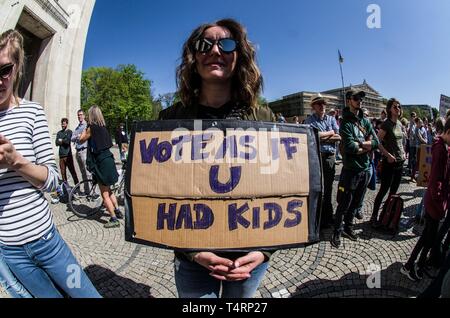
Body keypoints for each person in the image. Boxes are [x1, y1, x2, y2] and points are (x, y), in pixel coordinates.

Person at [158, 18, 275, 298]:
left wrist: (264, 251)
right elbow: (160, 193)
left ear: (239, 56)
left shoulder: (263, 118)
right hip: (192, 257)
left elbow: (279, 188)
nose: (215, 50)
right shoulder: (170, 120)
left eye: (226, 43)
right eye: (204, 44)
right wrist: (193, 251)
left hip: (249, 255)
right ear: (193, 57)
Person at [0, 29, 100, 298]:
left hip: (46, 242)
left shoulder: (31, 112)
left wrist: (16, 162)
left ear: (18, 67)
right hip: (9, 249)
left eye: (4, 70)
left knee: (86, 294)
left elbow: (55, 181)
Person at [401, 119, 450, 281]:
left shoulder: (443, 147)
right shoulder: (440, 149)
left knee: (428, 237)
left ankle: (414, 265)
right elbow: (437, 179)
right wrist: (440, 203)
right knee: (428, 237)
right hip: (435, 202)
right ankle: (412, 266)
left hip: (436, 200)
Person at [330, 90, 379, 249]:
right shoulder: (345, 122)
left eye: (361, 99)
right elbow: (350, 147)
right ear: (349, 100)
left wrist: (363, 145)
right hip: (350, 170)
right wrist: (367, 145)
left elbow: (376, 141)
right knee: (344, 203)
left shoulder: (365, 121)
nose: (359, 101)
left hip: (364, 168)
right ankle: (336, 231)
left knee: (357, 202)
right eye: (356, 99)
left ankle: (348, 227)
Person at [80, 105, 122, 228]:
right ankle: (117, 210)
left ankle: (114, 219)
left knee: (104, 194)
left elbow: (81, 139)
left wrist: (85, 127)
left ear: (91, 115)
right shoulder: (103, 128)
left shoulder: (91, 128)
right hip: (109, 159)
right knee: (109, 190)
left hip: (101, 163)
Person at [305, 94, 341, 229]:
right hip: (316, 157)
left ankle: (328, 215)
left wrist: (321, 137)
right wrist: (329, 133)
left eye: (323, 103)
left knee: (329, 188)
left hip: (330, 157)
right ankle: (318, 217)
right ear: (313, 106)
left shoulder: (331, 119)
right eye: (319, 103)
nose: (322, 106)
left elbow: (338, 136)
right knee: (317, 187)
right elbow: (312, 136)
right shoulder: (310, 120)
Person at [370, 99, 406, 225]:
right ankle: (374, 217)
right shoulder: (386, 124)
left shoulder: (400, 124)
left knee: (393, 193)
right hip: (389, 163)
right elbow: (377, 142)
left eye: (399, 106)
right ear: (389, 109)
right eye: (395, 107)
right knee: (383, 190)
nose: (398, 108)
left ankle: (386, 216)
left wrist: (404, 153)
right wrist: (388, 155)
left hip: (400, 163)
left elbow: (401, 142)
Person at [71, 109, 92, 192]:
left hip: (84, 150)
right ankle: (87, 191)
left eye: (80, 114)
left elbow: (83, 137)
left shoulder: (86, 126)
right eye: (78, 115)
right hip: (78, 151)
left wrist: (78, 136)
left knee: (88, 172)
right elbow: (72, 138)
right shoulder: (77, 127)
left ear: (84, 115)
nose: (79, 116)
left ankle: (91, 191)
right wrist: (78, 136)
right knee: (82, 172)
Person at [56, 118, 79, 186]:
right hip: (61, 156)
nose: (63, 125)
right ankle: (66, 187)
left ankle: (77, 186)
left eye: (64, 124)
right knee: (63, 173)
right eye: (62, 124)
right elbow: (56, 143)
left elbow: (67, 141)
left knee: (72, 172)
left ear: (66, 124)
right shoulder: (59, 133)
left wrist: (61, 140)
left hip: (68, 155)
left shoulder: (69, 132)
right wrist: (63, 140)